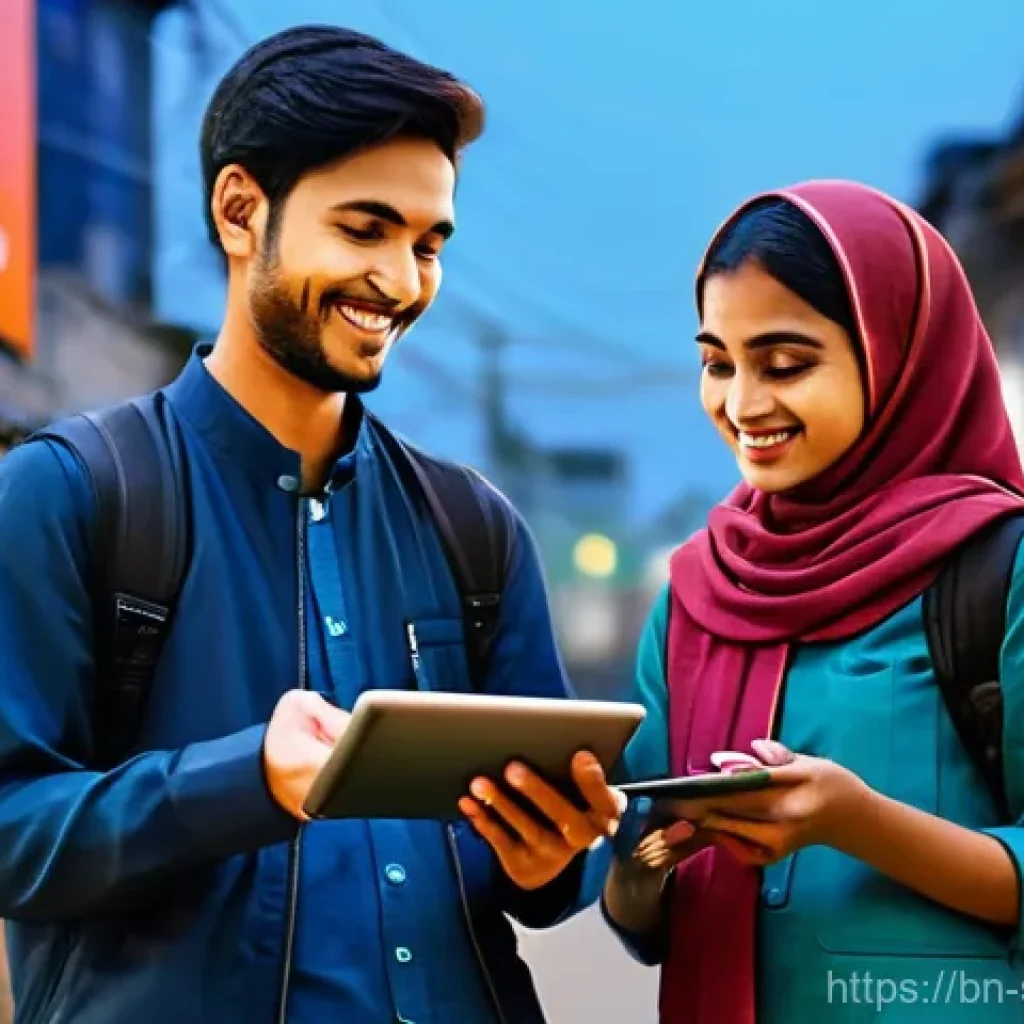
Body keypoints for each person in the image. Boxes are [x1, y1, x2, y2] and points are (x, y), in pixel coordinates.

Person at [0, 26, 622, 1024]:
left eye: (427, 244)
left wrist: (552, 857)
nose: (402, 281)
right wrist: (241, 778)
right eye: (365, 228)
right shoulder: (68, 494)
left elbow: (542, 885)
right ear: (241, 211)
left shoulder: (474, 528)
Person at [601, 180, 1024, 1022]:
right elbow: (642, 916)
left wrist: (856, 820)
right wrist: (632, 866)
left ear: (897, 356)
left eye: (786, 364)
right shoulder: (696, 592)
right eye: (718, 362)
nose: (743, 404)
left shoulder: (998, 568)